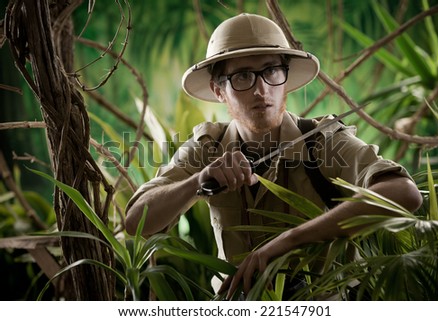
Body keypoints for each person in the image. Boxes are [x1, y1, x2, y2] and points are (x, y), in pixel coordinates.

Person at [125, 13, 422, 299]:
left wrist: (289, 241)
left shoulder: (323, 143)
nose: (261, 89)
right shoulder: (208, 147)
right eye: (243, 76)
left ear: (285, 77)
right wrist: (197, 181)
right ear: (219, 90)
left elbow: (404, 192)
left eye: (270, 72)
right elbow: (136, 220)